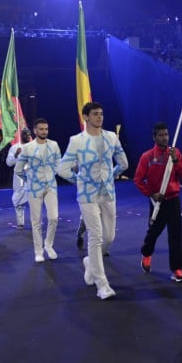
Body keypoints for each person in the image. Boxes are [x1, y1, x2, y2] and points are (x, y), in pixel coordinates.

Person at [58, 102, 127, 300]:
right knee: (95, 236)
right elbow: (62, 169)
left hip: (108, 193)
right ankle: (101, 284)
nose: (99, 117)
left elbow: (123, 163)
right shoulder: (77, 141)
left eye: (101, 114)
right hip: (87, 195)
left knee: (109, 237)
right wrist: (80, 181)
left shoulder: (111, 137)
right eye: (95, 114)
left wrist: (110, 176)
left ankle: (90, 262)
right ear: (86, 117)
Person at [133, 122, 182, 282]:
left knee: (176, 236)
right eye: (161, 135)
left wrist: (176, 161)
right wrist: (151, 194)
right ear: (154, 137)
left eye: (166, 134)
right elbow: (138, 179)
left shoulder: (175, 153)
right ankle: (146, 254)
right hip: (157, 202)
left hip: (174, 200)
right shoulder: (147, 156)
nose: (164, 138)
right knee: (153, 233)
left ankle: (177, 269)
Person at [15, 118, 62, 263]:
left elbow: (58, 163)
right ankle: (38, 251)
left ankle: (48, 244)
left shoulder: (54, 145)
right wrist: (29, 179)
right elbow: (18, 169)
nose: (44, 131)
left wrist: (52, 174)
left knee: (54, 217)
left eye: (46, 129)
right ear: (35, 131)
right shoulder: (28, 148)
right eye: (41, 129)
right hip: (34, 188)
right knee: (36, 221)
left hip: (50, 186)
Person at [6, 127, 32, 229]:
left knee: (34, 201)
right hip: (19, 178)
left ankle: (35, 222)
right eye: (25, 134)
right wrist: (16, 155)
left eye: (29, 134)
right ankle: (20, 223)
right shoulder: (14, 148)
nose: (27, 136)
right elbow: (9, 163)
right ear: (21, 135)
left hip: (32, 176)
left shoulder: (34, 147)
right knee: (18, 200)